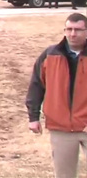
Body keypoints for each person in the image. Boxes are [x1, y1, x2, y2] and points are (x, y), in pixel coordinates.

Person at [25, 13, 87, 178]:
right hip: (61, 128)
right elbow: (36, 86)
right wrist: (33, 117)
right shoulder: (50, 55)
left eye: (78, 30)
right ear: (64, 30)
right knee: (64, 175)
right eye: (69, 29)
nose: (73, 34)